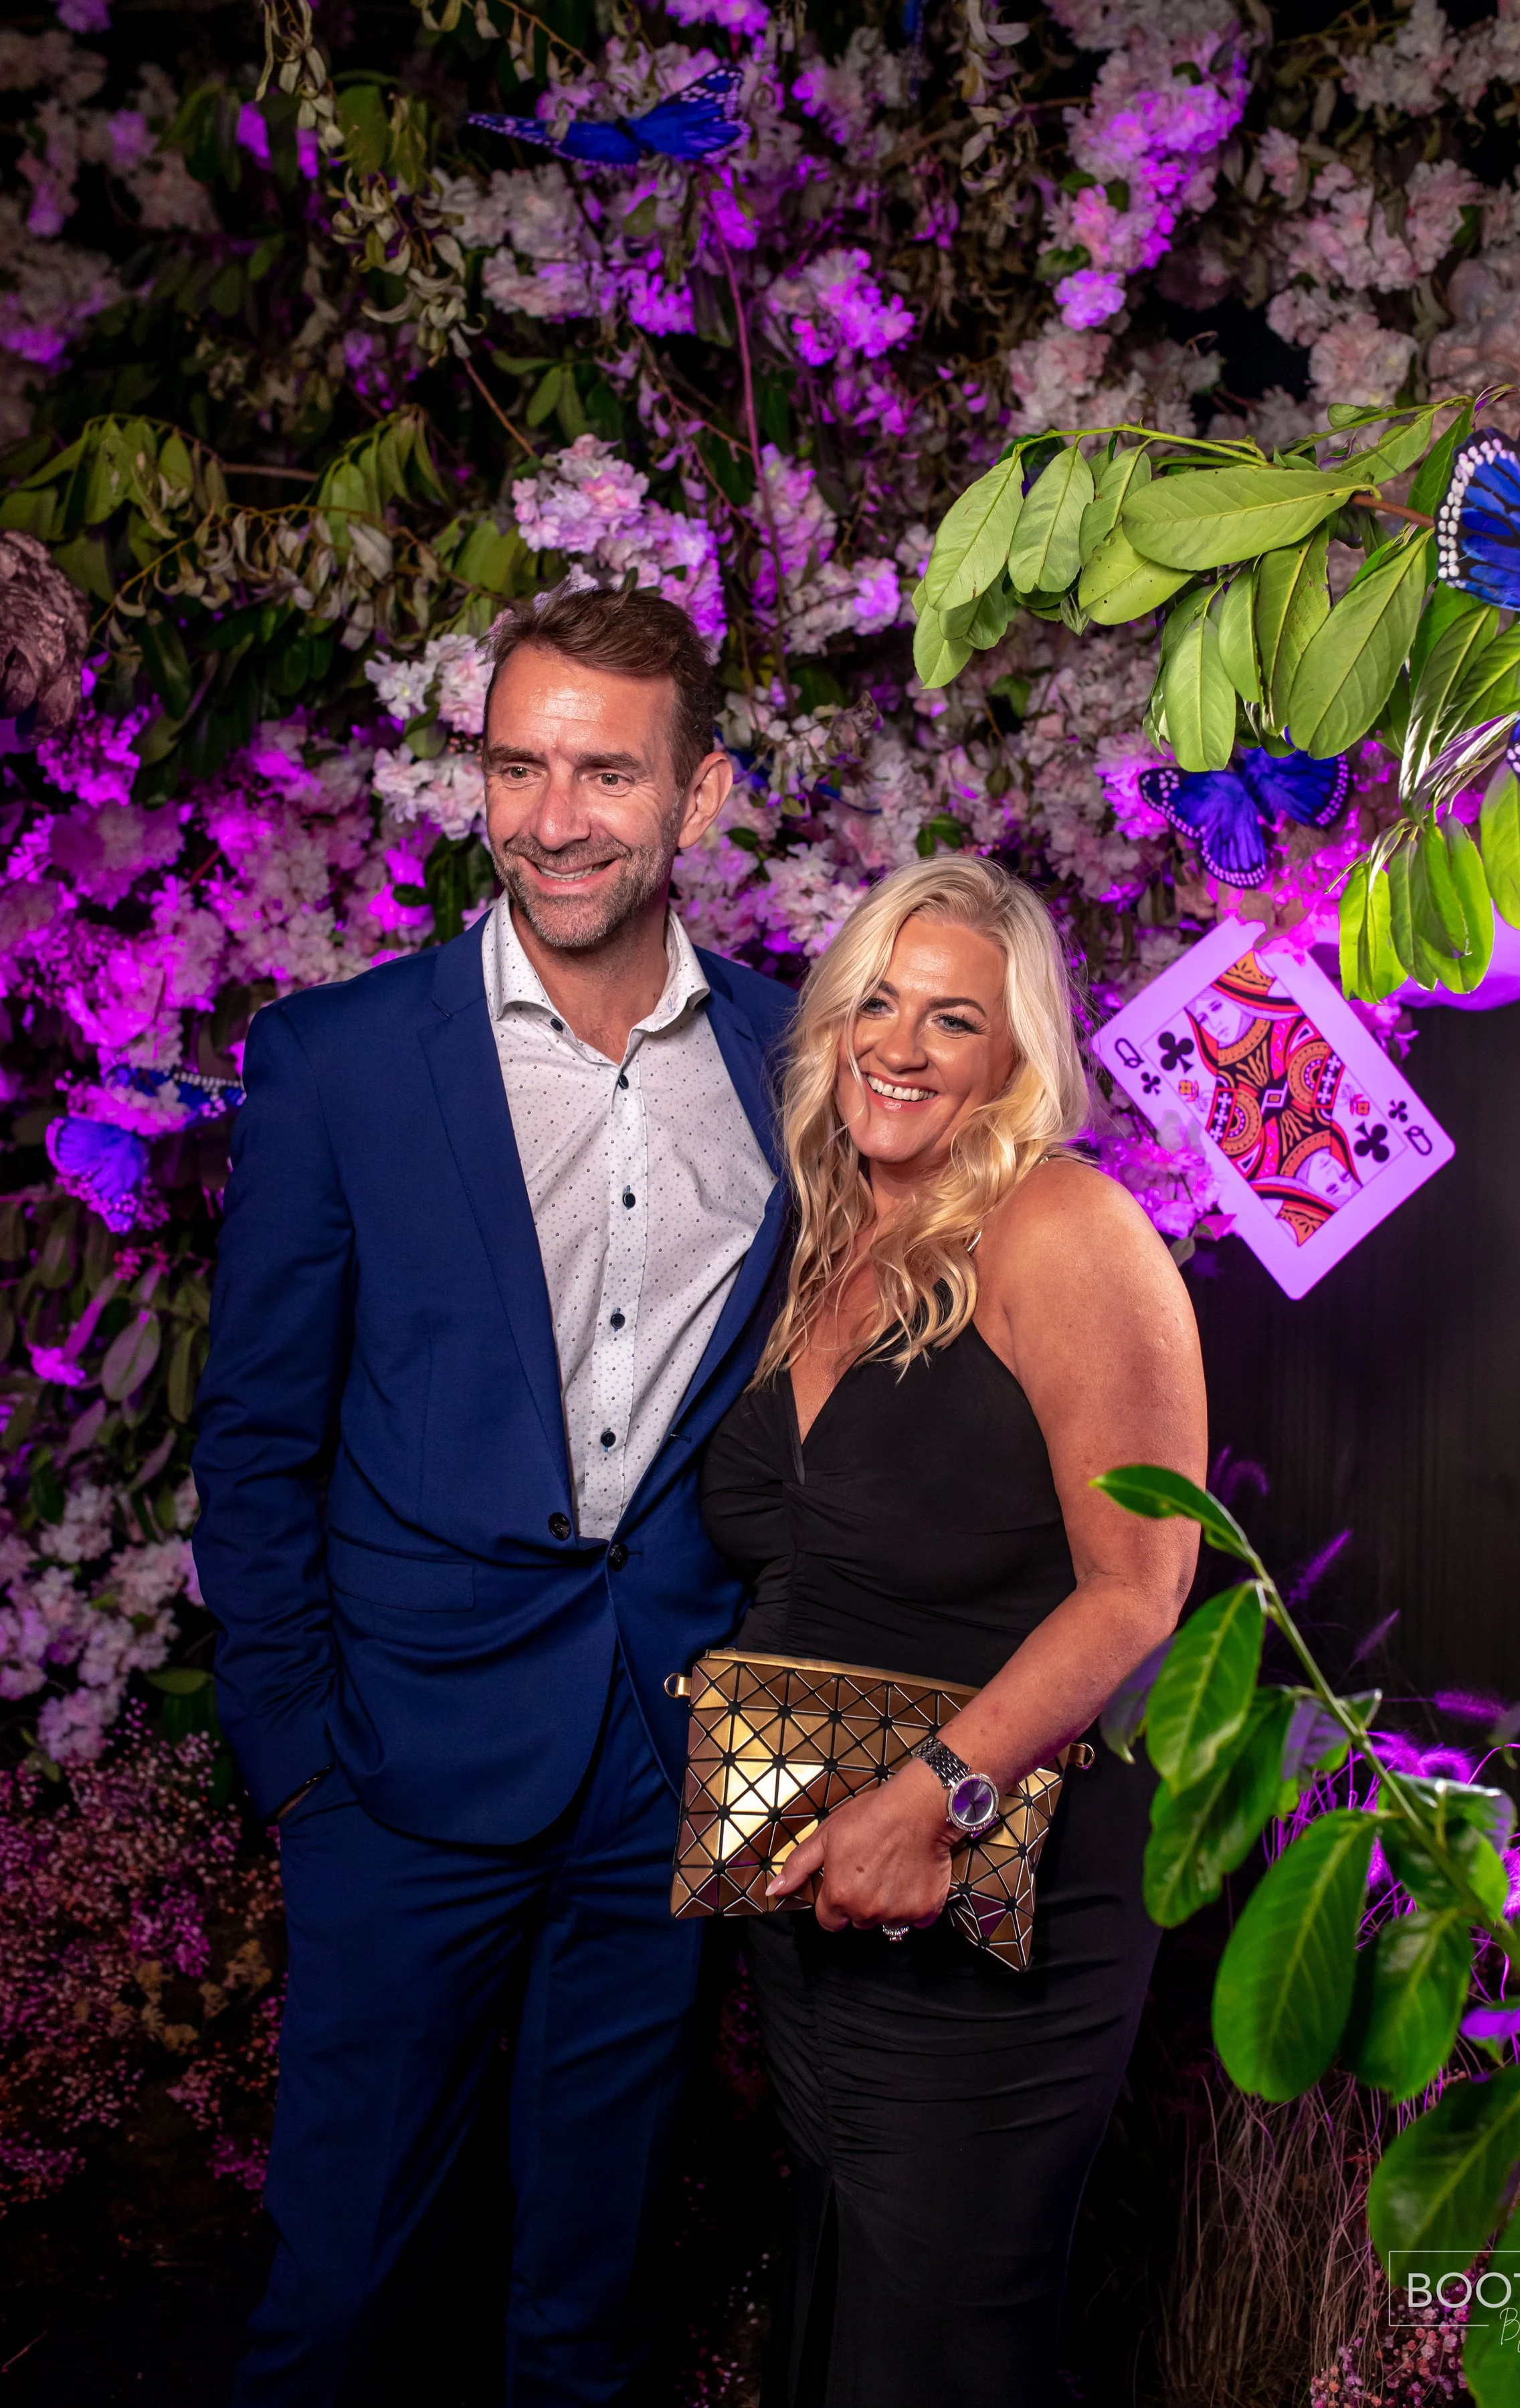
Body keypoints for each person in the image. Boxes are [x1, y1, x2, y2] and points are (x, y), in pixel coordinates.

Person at [192, 588, 795, 2403]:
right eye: (518, 766)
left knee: (587, 2304)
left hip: (658, 1761)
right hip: (395, 1765)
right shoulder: (343, 1061)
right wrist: (297, 1757)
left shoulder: (795, 1062)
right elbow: (257, 1435)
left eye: (606, 771)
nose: (553, 816)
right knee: (341, 2289)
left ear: (698, 795)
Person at [700, 856, 1208, 2408]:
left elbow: (1140, 1585)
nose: (898, 1046)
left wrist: (930, 1800)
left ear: (1013, 1054)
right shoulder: (814, 1240)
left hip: (998, 1893)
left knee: (935, 2339)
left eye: (952, 1018)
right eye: (874, 1002)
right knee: (843, 2299)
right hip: (815, 1886)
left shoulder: (1065, 1229)